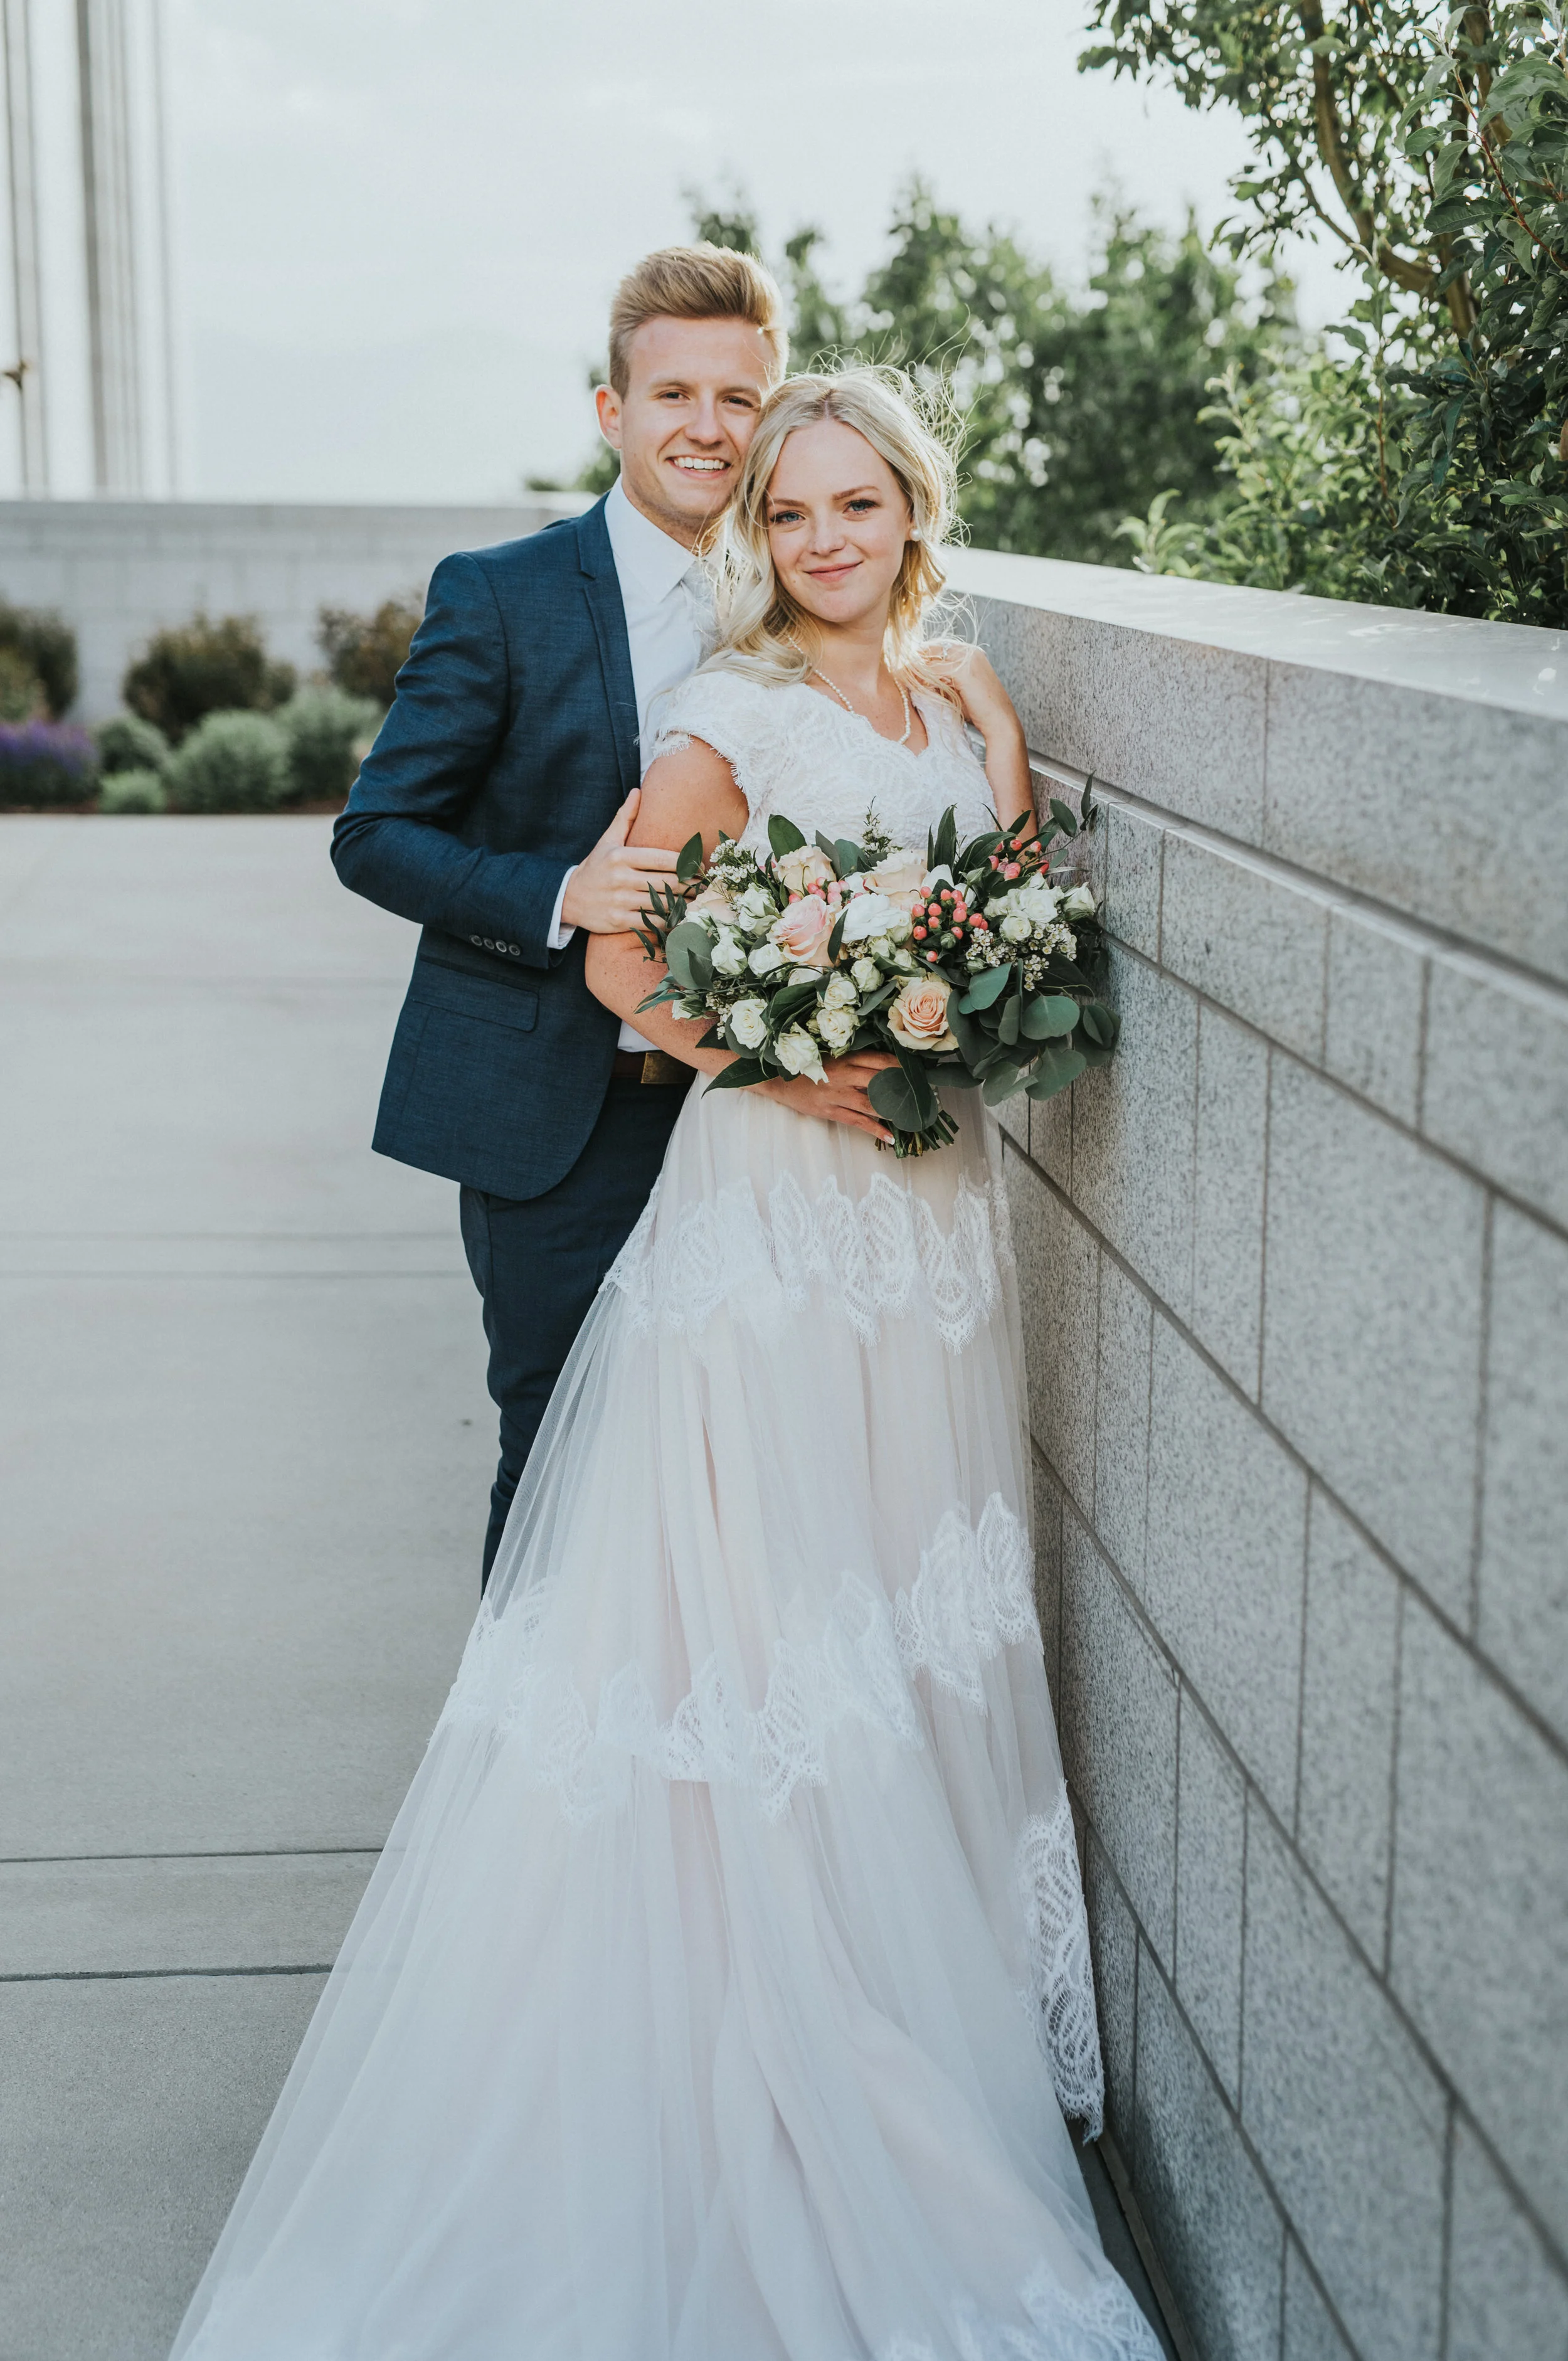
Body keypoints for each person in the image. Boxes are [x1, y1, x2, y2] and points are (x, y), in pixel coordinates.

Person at [171, 368, 1163, 2360]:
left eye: (853, 502)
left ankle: (932, 1985)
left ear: (911, 508)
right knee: (779, 1608)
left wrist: (991, 795)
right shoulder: (729, 717)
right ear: (758, 534)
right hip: (778, 1212)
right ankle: (774, 1994)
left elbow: (1009, 918)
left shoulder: (962, 695)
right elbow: (629, 964)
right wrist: (805, 1072)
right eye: (788, 510)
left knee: (913, 1577)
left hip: (934, 1224)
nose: (821, 538)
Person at [331, 243, 786, 1584]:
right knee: (558, 1459)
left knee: (730, 1461)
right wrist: (558, 895)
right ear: (612, 411)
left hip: (751, 1113)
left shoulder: (797, 592)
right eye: (673, 394)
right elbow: (374, 835)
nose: (706, 427)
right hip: (558, 1122)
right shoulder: (502, 594)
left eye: (739, 399)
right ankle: (513, 1726)